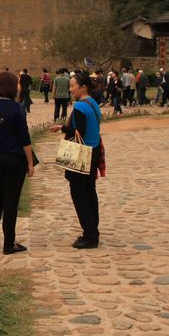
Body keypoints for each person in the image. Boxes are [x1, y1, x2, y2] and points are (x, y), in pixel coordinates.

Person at [0, 71, 35, 254]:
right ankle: (9, 243)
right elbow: (25, 138)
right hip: (15, 160)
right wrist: (30, 163)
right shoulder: (17, 108)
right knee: (11, 202)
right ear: (13, 87)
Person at [49, 72, 104, 249]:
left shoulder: (81, 106)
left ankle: (89, 235)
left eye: (73, 86)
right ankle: (93, 230)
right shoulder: (93, 103)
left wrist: (61, 127)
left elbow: (77, 131)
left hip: (81, 153)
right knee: (89, 192)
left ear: (83, 87)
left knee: (78, 194)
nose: (71, 89)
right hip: (94, 150)